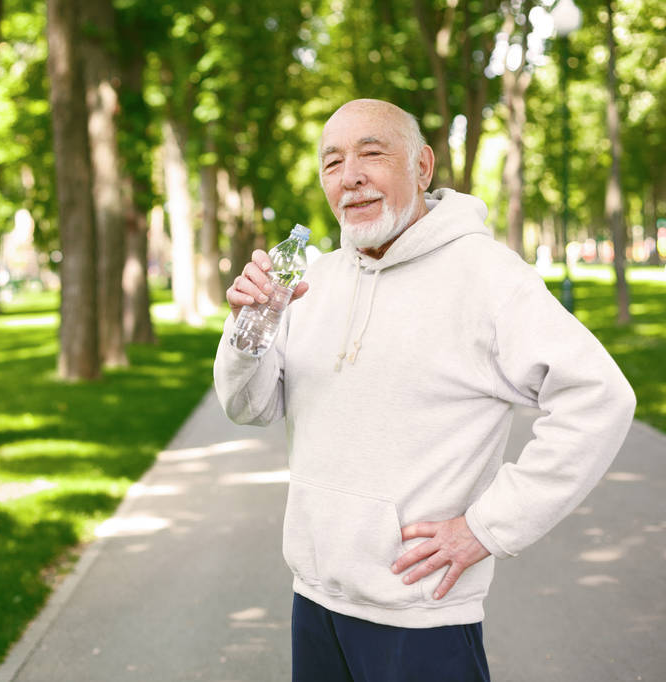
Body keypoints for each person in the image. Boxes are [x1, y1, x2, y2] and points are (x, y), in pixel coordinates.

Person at [212, 98, 636, 682]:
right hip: (314, 599)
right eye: (333, 162)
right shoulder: (313, 280)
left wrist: (487, 528)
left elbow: (600, 398)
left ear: (422, 167)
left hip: (421, 617)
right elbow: (248, 406)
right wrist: (247, 329)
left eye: (371, 153)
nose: (350, 176)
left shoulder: (488, 277)